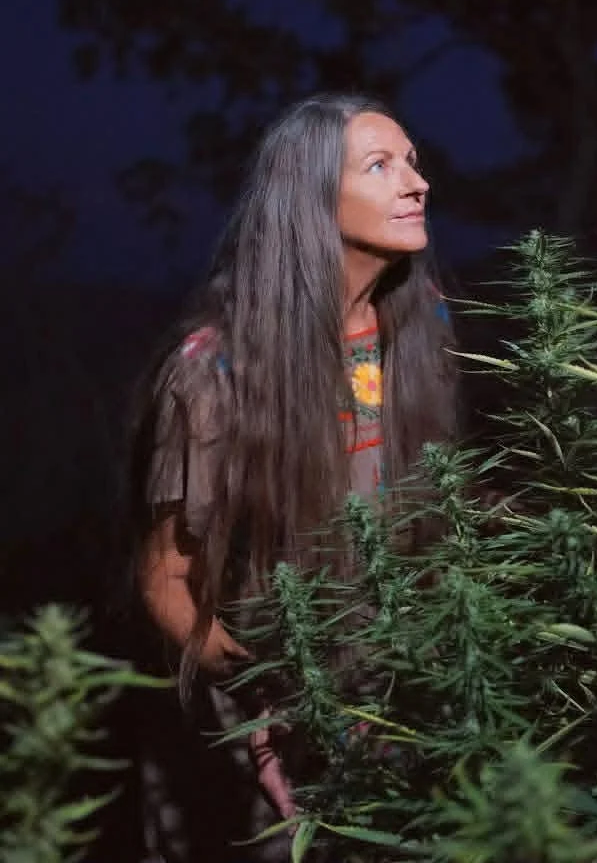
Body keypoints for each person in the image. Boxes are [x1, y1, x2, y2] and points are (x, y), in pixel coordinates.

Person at [126, 93, 458, 862]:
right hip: (283, 702)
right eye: (381, 166)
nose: (417, 183)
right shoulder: (215, 371)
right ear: (308, 197)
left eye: (412, 161)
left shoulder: (426, 323)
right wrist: (274, 700)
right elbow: (165, 579)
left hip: (413, 686)